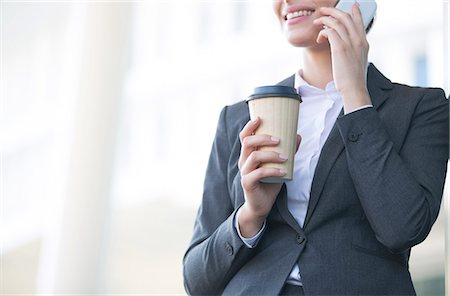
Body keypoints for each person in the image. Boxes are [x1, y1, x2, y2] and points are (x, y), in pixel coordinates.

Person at [183, 0, 449, 295]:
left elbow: (403, 229)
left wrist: (356, 97)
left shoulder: (422, 108)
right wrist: (250, 214)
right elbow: (196, 280)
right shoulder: (239, 117)